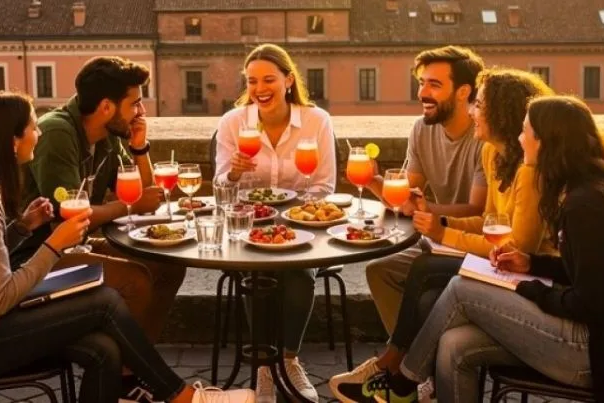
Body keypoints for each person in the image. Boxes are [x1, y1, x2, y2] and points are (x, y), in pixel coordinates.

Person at [0, 91, 254, 403]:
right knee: (103, 302)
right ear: (11, 140)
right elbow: (1, 297)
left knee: (102, 348)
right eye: (33, 127)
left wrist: (23, 228)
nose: (38, 134)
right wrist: (54, 245)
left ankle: (158, 392)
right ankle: (182, 397)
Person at [368, 95, 604, 403]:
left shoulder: (585, 206)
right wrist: (531, 264)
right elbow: (591, 273)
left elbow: (589, 303)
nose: (520, 138)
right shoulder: (596, 188)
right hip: (600, 339)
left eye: (526, 131)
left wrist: (529, 289)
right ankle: (406, 381)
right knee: (455, 344)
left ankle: (403, 380)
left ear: (549, 142)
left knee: (460, 289)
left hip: (595, 355)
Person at [330, 67, 556, 403]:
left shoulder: (530, 171)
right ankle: (406, 375)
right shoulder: (494, 154)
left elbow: (517, 249)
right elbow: (488, 221)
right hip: (497, 260)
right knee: (422, 286)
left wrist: (442, 233)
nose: (471, 113)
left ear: (501, 113)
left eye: (478, 106)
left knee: (424, 271)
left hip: (529, 274)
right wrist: (443, 225)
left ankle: (395, 369)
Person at [15, 56, 186, 398]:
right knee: (135, 280)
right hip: (37, 256)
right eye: (135, 103)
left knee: (168, 265)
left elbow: (144, 195)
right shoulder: (57, 134)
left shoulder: (107, 136)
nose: (141, 111)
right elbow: (71, 217)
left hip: (77, 245)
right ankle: (122, 381)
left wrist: (139, 148)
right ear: (107, 107)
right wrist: (129, 205)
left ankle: (131, 373)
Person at [214, 44, 337, 403]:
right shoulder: (234, 123)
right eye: (252, 81)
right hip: (249, 226)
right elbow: (220, 189)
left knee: (299, 272)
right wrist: (234, 172)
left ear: (288, 80)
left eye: (269, 79)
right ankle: (263, 368)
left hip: (301, 225)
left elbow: (324, 185)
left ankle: (288, 359)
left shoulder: (316, 121)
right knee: (257, 274)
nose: (260, 88)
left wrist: (294, 216)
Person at [364, 46, 488, 336]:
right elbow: (406, 196)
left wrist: (426, 209)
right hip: (438, 238)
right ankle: (409, 364)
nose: (422, 93)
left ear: (463, 91)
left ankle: (408, 366)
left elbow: (477, 210)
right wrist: (371, 179)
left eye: (434, 84)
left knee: (423, 283)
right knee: (378, 270)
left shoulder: (483, 135)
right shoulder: (422, 129)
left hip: (475, 244)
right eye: (421, 83)